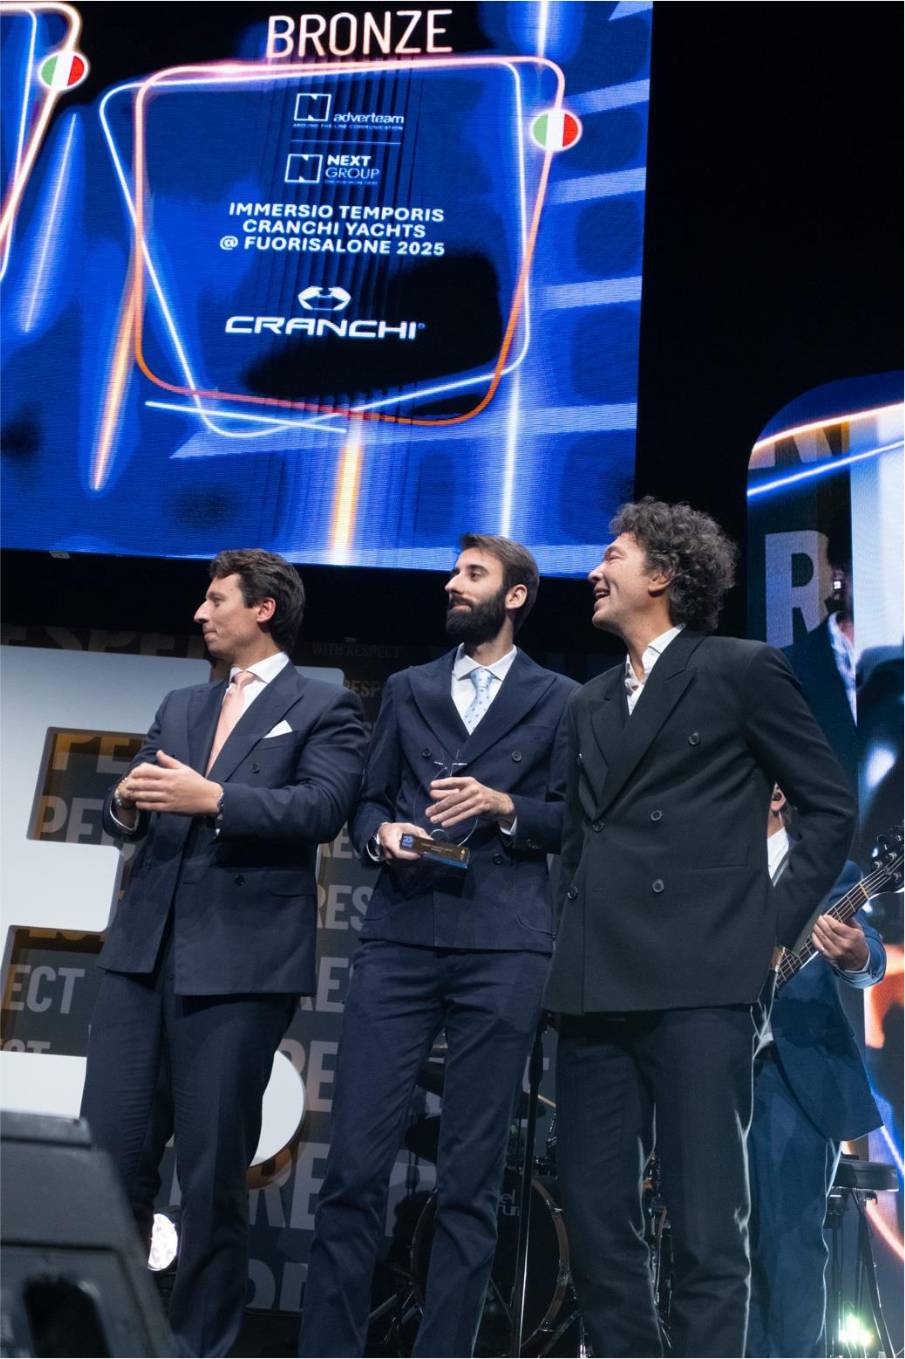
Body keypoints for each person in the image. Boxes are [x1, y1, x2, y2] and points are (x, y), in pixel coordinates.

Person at [544, 498, 857, 1358]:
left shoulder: (741, 669)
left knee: (707, 1227)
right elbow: (575, 845)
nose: (593, 571)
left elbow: (828, 808)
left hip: (701, 984)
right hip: (593, 984)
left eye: (612, 555)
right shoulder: (588, 702)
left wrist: (769, 931)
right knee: (596, 1223)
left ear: (662, 574)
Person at [81, 549, 367, 1358]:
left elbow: (322, 806)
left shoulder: (324, 705)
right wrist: (124, 803)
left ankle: (198, 1345)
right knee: (108, 1163)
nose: (200, 613)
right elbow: (126, 809)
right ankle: (98, 1337)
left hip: (239, 965)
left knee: (209, 1180)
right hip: (142, 957)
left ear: (262, 608)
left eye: (216, 600)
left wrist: (215, 798)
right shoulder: (181, 704)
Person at [298, 533, 578, 1358]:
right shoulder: (408, 687)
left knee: (470, 1181)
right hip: (401, 936)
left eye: (472, 574)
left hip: (503, 945)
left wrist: (502, 804)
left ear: (515, 595)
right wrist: (380, 831)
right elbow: (366, 800)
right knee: (353, 1168)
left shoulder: (561, 698)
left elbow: (572, 818)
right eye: (454, 571)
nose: (452, 583)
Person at [747, 786, 885, 1359]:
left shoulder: (829, 870)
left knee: (788, 1250)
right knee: (718, 1252)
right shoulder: (704, 864)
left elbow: (870, 956)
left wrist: (857, 955)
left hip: (790, 1079)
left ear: (777, 795)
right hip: (710, 1073)